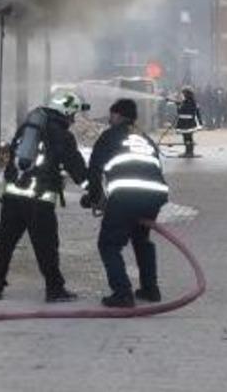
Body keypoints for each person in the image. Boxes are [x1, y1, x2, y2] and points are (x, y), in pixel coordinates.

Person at [0, 91, 89, 303]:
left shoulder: (28, 128)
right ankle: (54, 289)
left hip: (12, 196)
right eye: (72, 115)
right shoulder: (61, 134)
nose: (72, 120)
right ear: (66, 111)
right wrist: (93, 191)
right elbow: (76, 168)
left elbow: (12, 162)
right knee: (46, 247)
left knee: (6, 243)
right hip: (38, 200)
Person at [83, 98, 170, 308]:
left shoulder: (110, 135)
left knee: (109, 244)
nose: (109, 120)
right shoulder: (145, 138)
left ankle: (122, 293)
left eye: (111, 116)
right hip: (155, 195)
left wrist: (93, 197)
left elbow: (94, 170)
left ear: (117, 115)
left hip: (126, 195)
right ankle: (150, 290)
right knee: (141, 240)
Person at [173, 86, 203, 157]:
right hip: (184, 122)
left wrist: (179, 106)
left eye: (184, 93)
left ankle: (190, 152)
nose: (183, 95)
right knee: (186, 137)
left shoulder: (191, 102)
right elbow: (180, 112)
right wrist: (178, 105)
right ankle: (187, 151)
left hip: (188, 122)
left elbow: (188, 111)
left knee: (188, 137)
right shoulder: (186, 102)